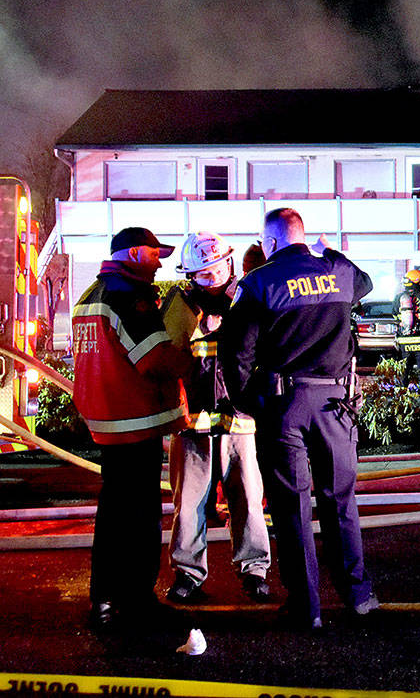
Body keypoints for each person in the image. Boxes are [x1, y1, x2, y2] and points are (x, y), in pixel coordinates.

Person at [220, 208, 377, 630]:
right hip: (336, 405)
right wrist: (331, 250)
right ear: (304, 237)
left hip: (285, 405)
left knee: (291, 507)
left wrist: (247, 402)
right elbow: (365, 281)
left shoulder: (258, 283)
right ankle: (359, 596)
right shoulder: (339, 274)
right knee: (340, 501)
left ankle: (307, 607)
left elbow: (235, 354)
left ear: (270, 243)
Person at [71, 227, 191, 629]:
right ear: (137, 254)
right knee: (141, 516)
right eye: (156, 255)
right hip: (135, 420)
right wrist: (190, 359)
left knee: (113, 514)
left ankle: (103, 600)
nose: (160, 264)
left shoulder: (92, 293)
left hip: (107, 421)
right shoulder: (130, 297)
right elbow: (154, 361)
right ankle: (137, 601)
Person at [161, 232, 271, 605]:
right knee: (188, 505)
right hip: (193, 425)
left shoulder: (248, 298)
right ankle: (188, 575)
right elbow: (166, 355)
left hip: (240, 421)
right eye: (203, 275)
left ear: (230, 261)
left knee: (248, 500)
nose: (212, 279)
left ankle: (255, 572)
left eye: (218, 269)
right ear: (191, 276)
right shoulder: (180, 305)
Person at [394, 269, 420, 392]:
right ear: (418, 282)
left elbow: (395, 317)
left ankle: (401, 394)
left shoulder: (398, 298)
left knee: (403, 369)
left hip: (404, 341)